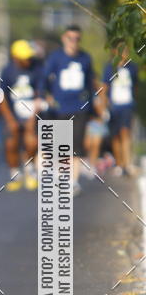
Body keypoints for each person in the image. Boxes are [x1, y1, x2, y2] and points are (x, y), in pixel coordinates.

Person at [40, 25, 100, 195]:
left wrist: (93, 104)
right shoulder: (56, 57)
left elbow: (90, 82)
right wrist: (46, 96)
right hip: (60, 108)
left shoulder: (85, 58)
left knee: (77, 146)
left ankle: (73, 181)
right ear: (64, 38)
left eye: (77, 39)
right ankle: (61, 177)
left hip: (80, 107)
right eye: (70, 38)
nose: (74, 42)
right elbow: (44, 79)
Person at [0, 39, 42, 191]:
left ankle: (30, 170)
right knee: (11, 144)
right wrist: (10, 120)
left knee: (32, 142)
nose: (28, 60)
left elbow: (39, 94)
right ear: (16, 57)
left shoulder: (36, 69)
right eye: (25, 58)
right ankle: (15, 174)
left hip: (31, 113)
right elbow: (1, 96)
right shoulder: (8, 71)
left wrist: (33, 117)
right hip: (13, 113)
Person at [102, 43, 139, 176]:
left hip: (127, 106)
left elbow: (135, 86)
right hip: (114, 106)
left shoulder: (132, 68)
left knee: (125, 132)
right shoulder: (110, 68)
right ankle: (119, 163)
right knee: (115, 136)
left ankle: (127, 164)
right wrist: (104, 106)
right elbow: (104, 87)